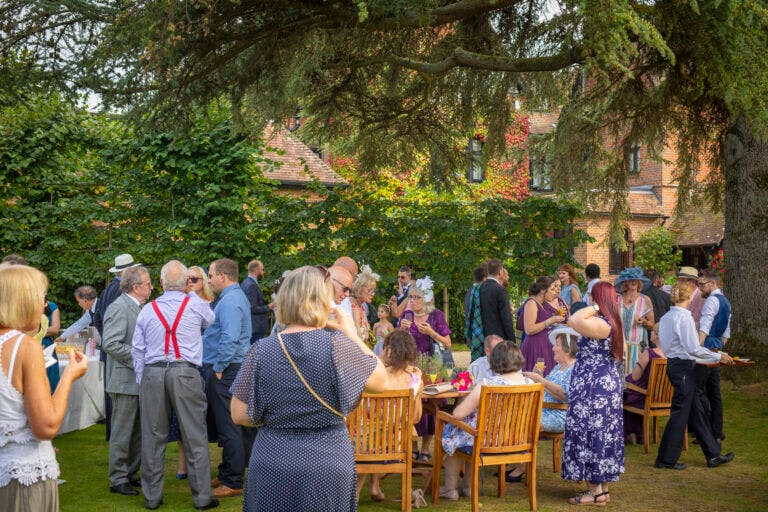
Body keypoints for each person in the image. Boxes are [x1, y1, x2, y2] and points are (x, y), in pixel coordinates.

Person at [230, 265, 388, 512]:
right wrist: (352, 334)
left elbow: (239, 414)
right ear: (324, 301)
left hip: (273, 459)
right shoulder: (338, 346)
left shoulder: (261, 350)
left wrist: (276, 417)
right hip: (327, 462)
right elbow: (381, 381)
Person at [0, 264, 89, 512]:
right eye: (40, 298)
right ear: (22, 301)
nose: (43, 306)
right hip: (23, 476)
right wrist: (69, 375)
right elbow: (46, 426)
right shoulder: (24, 347)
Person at [131, 260, 218, 510]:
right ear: (185, 284)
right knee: (194, 435)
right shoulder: (196, 304)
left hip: (153, 373)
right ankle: (202, 498)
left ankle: (152, 498)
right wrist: (192, 293)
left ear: (160, 283)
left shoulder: (148, 310)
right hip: (185, 372)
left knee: (153, 436)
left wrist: (141, 380)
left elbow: (138, 349)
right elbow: (211, 320)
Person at [655, 281, 735, 470]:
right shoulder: (684, 318)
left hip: (677, 364)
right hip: (683, 367)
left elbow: (683, 348)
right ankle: (666, 459)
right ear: (689, 297)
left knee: (696, 411)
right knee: (680, 413)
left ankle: (713, 454)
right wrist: (718, 356)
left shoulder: (667, 317)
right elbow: (693, 348)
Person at [438, 341, 532, 500]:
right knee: (466, 436)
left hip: (486, 442)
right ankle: (467, 487)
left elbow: (458, 414)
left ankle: (450, 489)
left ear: (495, 361)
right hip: (517, 441)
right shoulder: (530, 384)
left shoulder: (487, 384)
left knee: (455, 435)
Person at [562, 281, 625, 506]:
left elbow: (574, 320)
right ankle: (603, 489)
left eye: (592, 296)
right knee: (603, 433)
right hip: (604, 383)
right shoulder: (614, 322)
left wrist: (597, 306)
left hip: (593, 385)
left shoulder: (602, 322)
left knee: (591, 432)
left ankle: (595, 491)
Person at [202, 258, 252, 498]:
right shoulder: (232, 297)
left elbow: (230, 337)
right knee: (228, 424)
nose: (208, 280)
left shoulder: (231, 300)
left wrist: (219, 367)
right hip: (230, 367)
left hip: (227, 368)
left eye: (211, 275)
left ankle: (233, 481)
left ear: (222, 276)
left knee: (229, 424)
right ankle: (227, 472)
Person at [102, 265, 152, 497]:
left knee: (137, 433)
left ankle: (131, 474)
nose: (152, 287)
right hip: (124, 381)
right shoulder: (119, 307)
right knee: (122, 433)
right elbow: (110, 343)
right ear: (136, 286)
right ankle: (118, 479)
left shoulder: (141, 307)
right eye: (148, 283)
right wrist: (140, 357)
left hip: (139, 381)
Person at [505, 325, 578, 482]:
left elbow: (564, 395)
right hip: (543, 409)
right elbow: (547, 388)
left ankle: (523, 466)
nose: (553, 348)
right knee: (511, 415)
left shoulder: (574, 368)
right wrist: (538, 376)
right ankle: (516, 461)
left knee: (522, 421)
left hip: (559, 413)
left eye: (557, 345)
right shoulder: (559, 367)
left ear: (567, 348)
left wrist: (540, 380)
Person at [360, 329, 423, 502]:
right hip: (397, 443)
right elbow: (416, 417)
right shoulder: (415, 379)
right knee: (379, 434)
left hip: (366, 443)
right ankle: (375, 487)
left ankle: (359, 492)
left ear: (388, 351)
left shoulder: (373, 377)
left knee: (372, 434)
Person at [399, 276, 452, 461]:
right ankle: (413, 446)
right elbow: (397, 344)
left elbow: (447, 344)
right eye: (411, 297)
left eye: (417, 297)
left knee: (431, 407)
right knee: (411, 406)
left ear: (427, 298)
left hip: (431, 368)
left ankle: (426, 449)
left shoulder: (436, 315)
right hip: (409, 369)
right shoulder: (406, 316)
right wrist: (402, 331)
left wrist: (431, 332)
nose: (412, 301)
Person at [94, 253, 140, 441]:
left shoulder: (107, 290)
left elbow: (97, 318)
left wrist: (106, 336)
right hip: (120, 352)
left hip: (111, 349)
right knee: (121, 401)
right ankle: (119, 441)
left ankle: (113, 435)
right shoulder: (121, 292)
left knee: (112, 397)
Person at [695, 268, 731, 442]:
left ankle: (705, 432)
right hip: (716, 347)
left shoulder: (711, 301)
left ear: (712, 283)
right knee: (714, 393)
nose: (699, 288)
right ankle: (716, 431)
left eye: (701, 284)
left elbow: (705, 325)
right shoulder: (726, 301)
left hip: (707, 350)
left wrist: (698, 347)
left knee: (700, 392)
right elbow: (726, 332)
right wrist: (720, 346)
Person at [623, 325, 665, 444]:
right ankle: (637, 433)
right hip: (662, 399)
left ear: (656, 336)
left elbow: (636, 376)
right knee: (629, 391)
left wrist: (641, 358)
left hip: (645, 398)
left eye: (652, 332)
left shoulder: (649, 353)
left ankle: (631, 432)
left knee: (624, 392)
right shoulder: (672, 355)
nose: (650, 334)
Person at [520, 276, 565, 376]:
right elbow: (529, 329)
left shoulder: (542, 304)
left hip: (545, 346)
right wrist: (550, 321)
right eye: (552, 289)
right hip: (535, 346)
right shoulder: (531, 303)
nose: (554, 292)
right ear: (542, 291)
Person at [614, 267, 654, 376]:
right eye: (630, 279)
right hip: (620, 347)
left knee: (636, 380)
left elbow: (652, 325)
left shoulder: (645, 300)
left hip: (638, 348)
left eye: (636, 279)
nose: (633, 282)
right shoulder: (617, 299)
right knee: (619, 381)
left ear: (639, 282)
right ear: (625, 282)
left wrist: (644, 322)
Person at [479, 258, 516, 342]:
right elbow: (506, 318)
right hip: (499, 337)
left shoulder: (480, 288)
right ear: (500, 272)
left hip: (483, 335)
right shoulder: (500, 290)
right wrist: (512, 340)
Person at [241, 260, 274, 344]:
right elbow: (253, 308)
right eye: (262, 269)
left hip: (252, 326)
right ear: (257, 270)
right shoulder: (252, 285)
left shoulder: (245, 282)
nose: (263, 272)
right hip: (255, 327)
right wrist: (269, 307)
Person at [350, 266, 380, 344]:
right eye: (370, 290)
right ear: (359, 288)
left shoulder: (361, 305)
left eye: (373, 291)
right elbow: (358, 334)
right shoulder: (353, 305)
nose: (373, 294)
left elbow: (367, 328)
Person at [464, 265, 487, 362]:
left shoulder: (470, 292)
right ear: (485, 278)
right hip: (479, 337)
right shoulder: (480, 292)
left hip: (473, 336)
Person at [641, 269, 671, 339]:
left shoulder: (639, 295)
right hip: (660, 333)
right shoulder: (666, 296)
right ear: (657, 279)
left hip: (643, 333)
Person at [41, 300, 60, 393]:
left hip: (47, 347)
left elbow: (55, 329)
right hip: (29, 345)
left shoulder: (52, 306)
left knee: (51, 382)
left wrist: (35, 332)